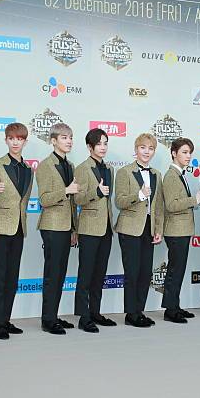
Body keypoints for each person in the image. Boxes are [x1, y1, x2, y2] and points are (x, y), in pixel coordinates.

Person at [0, 123, 33, 339]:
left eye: (19, 139)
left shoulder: (28, 169)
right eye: (11, 138)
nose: (15, 142)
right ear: (6, 140)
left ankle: (6, 319)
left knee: (12, 277)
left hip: (19, 227)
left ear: (25, 142)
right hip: (0, 227)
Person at [115, 133, 164, 328]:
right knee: (133, 272)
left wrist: (158, 229)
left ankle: (140, 311)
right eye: (143, 148)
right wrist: (139, 195)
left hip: (149, 229)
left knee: (145, 273)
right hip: (130, 229)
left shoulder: (157, 174)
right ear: (136, 150)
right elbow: (119, 201)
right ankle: (131, 313)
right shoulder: (125, 172)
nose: (146, 152)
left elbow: (158, 206)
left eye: (150, 148)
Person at [36, 123, 79, 334]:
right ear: (53, 141)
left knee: (60, 273)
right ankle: (48, 319)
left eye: (70, 137)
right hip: (52, 226)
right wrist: (66, 190)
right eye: (64, 138)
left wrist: (74, 229)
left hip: (66, 226)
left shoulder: (70, 165)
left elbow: (72, 202)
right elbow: (44, 200)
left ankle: (54, 315)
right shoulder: (45, 165)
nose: (69, 141)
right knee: (52, 273)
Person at [74, 128, 117, 333]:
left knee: (99, 274)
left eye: (105, 143)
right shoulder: (82, 168)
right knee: (86, 273)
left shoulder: (109, 169)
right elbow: (78, 199)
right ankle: (83, 317)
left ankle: (95, 312)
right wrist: (96, 192)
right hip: (89, 227)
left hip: (106, 227)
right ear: (90, 147)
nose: (103, 147)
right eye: (99, 144)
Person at [161, 138, 200, 323]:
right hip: (175, 230)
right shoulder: (171, 176)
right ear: (174, 153)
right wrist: (194, 200)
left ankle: (175, 306)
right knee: (175, 270)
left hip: (182, 230)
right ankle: (170, 309)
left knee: (178, 270)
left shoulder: (181, 174)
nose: (188, 156)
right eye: (184, 152)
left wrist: (193, 202)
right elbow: (171, 205)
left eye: (189, 153)